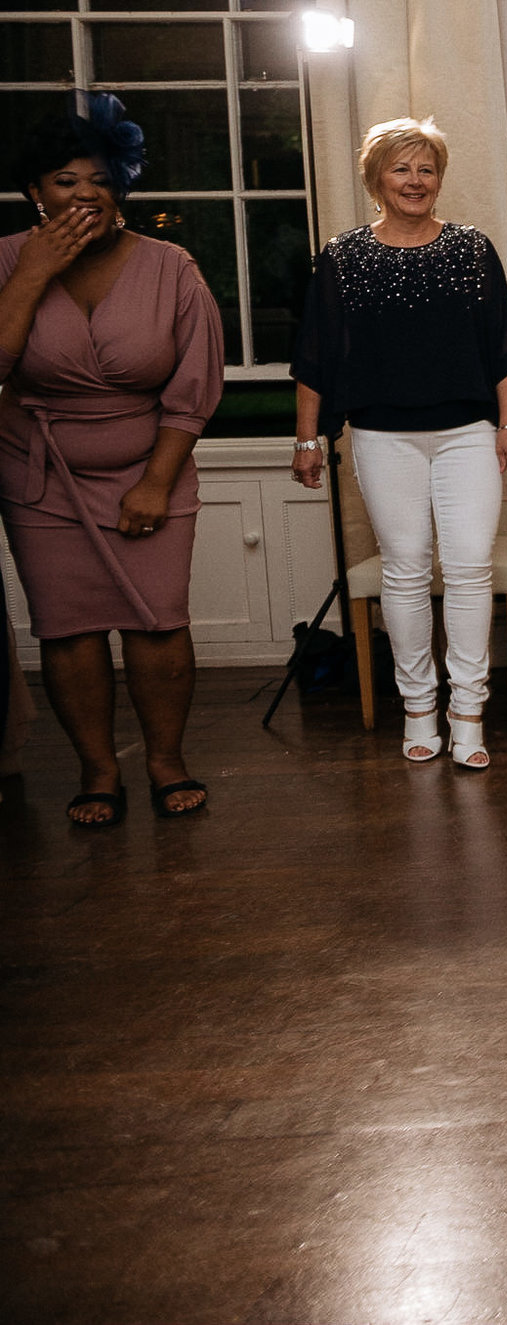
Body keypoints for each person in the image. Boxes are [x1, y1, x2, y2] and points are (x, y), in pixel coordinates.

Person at [3, 95, 223, 826]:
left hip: (149, 468)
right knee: (68, 627)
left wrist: (156, 481)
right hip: (41, 478)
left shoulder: (169, 266)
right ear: (34, 191)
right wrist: (34, 272)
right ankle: (98, 769)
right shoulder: (7, 260)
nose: (85, 193)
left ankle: (166, 760)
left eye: (100, 178)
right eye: (65, 180)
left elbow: (195, 386)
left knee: (159, 620)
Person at [292, 117, 507, 769]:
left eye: (426, 168)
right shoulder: (343, 257)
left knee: (469, 566)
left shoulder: (472, 249)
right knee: (403, 568)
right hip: (380, 436)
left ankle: (469, 713)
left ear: (439, 178)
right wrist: (307, 438)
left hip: (468, 435)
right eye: (401, 168)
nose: (415, 180)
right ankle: (419, 708)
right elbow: (314, 356)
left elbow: (505, 348)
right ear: (376, 179)